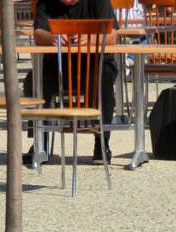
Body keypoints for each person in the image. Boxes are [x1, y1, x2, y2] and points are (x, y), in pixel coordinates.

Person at [22, 0, 119, 166]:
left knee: (103, 78)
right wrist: (52, 37)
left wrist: (89, 39)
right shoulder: (45, 2)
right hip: (58, 67)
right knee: (33, 80)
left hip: (94, 64)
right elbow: (38, 33)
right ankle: (40, 142)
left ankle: (102, 144)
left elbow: (112, 35)